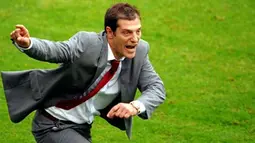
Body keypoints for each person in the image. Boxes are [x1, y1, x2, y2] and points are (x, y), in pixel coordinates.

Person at [3, 2, 166, 143]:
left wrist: (135, 106)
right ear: (110, 32)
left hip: (82, 128)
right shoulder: (88, 44)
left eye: (138, 31)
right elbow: (56, 51)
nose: (135, 39)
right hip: (53, 124)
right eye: (127, 32)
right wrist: (29, 44)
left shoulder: (139, 52)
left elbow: (156, 88)